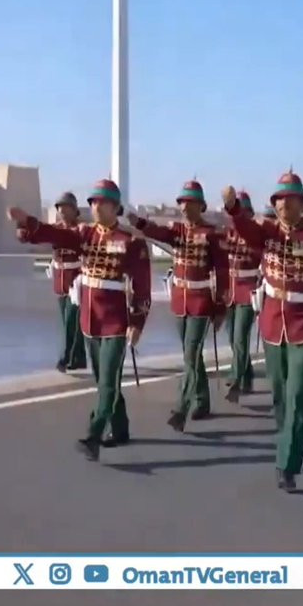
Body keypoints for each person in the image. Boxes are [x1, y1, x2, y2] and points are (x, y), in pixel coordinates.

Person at [9, 179, 151, 461]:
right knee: (104, 380)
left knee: (108, 381)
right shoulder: (85, 234)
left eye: (102, 203)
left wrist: (137, 323)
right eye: (93, 202)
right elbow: (55, 234)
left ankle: (94, 434)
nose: (96, 207)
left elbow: (142, 288)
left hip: (116, 321)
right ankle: (120, 428)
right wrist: (28, 223)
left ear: (115, 207)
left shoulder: (132, 241)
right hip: (90, 317)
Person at [221, 172, 303, 491]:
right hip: (274, 323)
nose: (284, 205)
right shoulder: (267, 232)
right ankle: (294, 448)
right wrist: (233, 208)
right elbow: (245, 228)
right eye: (279, 200)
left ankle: (286, 464)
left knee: (299, 395)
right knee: (280, 396)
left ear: (302, 203)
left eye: (290, 199)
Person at [128, 179, 229, 430]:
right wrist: (138, 222)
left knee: (191, 354)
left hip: (201, 301)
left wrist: (220, 308)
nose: (184, 207)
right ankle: (202, 400)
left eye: (190, 203)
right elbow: (156, 232)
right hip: (179, 300)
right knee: (190, 354)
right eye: (182, 203)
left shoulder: (213, 234)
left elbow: (223, 274)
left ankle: (181, 408)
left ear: (200, 206)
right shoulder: (177, 231)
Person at [222, 190, 262, 403]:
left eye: (244, 212)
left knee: (240, 337)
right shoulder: (227, 232)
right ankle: (248, 375)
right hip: (230, 290)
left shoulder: (256, 234)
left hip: (248, 290)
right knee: (232, 337)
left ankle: (236, 378)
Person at [47, 192, 88, 373]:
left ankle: (65, 358)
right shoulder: (55, 230)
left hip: (76, 283)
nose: (62, 211)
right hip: (60, 283)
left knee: (72, 322)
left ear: (74, 209)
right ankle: (78, 358)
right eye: (60, 208)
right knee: (68, 323)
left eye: (66, 208)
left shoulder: (81, 230)